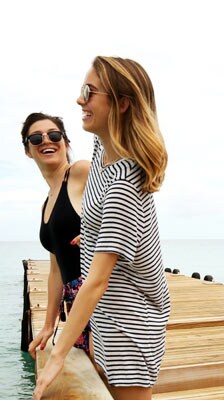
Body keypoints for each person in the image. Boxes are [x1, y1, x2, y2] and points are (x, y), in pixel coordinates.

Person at [34, 56, 171, 400]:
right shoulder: (100, 150)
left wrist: (58, 354)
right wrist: (96, 231)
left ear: (122, 104)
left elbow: (96, 280)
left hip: (131, 326)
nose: (80, 99)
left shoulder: (126, 181)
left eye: (89, 92)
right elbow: (101, 210)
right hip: (106, 320)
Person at [23, 113, 92, 357]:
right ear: (28, 151)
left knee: (111, 383)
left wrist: (100, 232)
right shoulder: (46, 203)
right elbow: (56, 270)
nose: (46, 141)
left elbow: (127, 198)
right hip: (74, 307)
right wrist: (49, 325)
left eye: (54, 135)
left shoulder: (80, 172)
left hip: (100, 298)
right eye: (35, 138)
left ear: (66, 143)